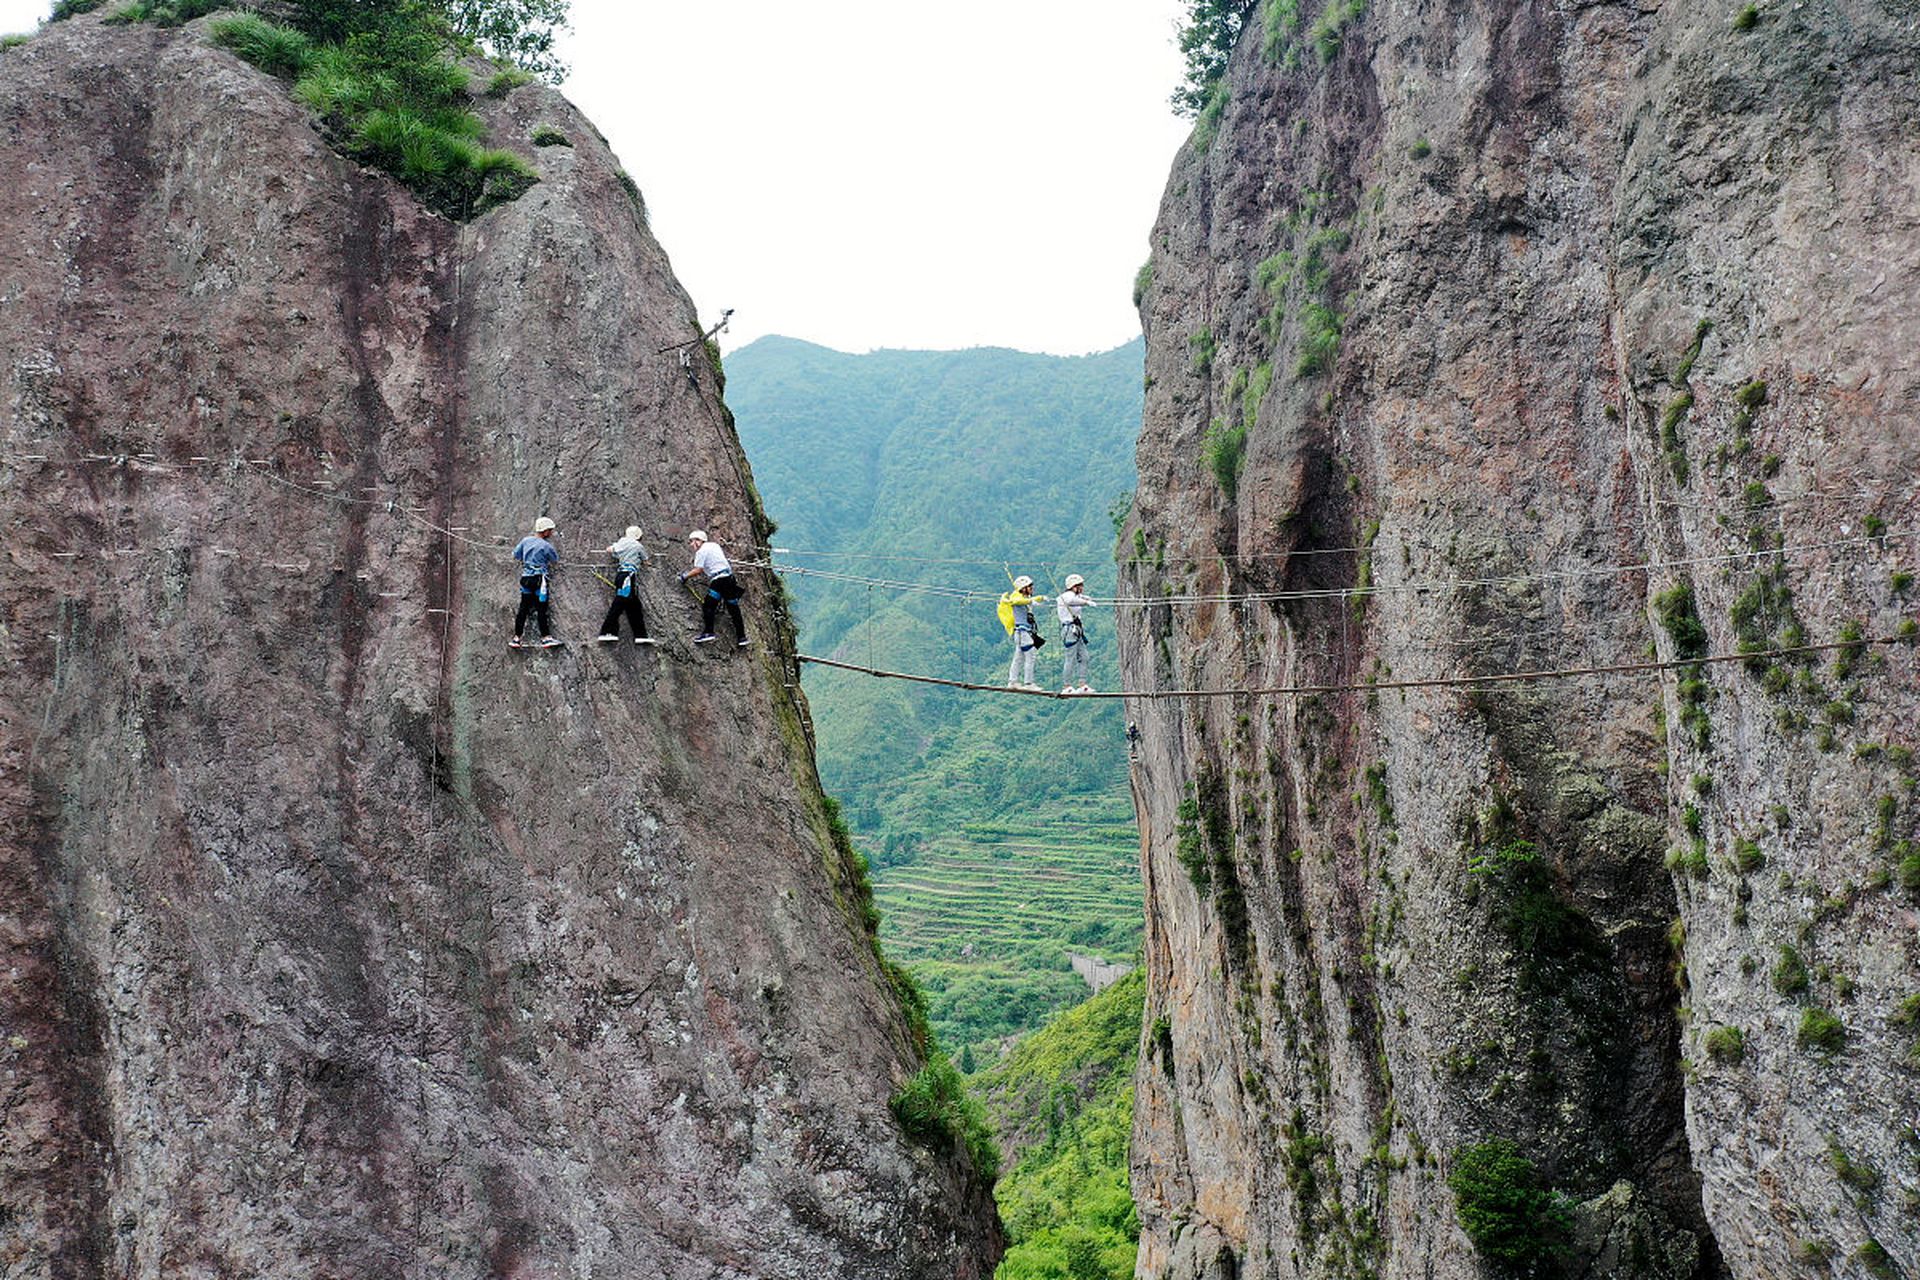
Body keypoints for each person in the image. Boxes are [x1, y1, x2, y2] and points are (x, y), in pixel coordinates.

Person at [678, 529, 747, 646]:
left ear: (698, 541)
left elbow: (698, 569)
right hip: (729, 579)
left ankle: (708, 632)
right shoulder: (714, 546)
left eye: (692, 541)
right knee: (733, 608)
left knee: (708, 606)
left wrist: (685, 576)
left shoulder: (701, 552)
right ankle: (742, 637)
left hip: (719, 581)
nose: (691, 544)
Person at [597, 525, 658, 645]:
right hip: (628, 577)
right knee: (619, 603)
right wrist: (649, 563)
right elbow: (645, 560)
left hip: (623, 575)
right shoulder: (638, 546)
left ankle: (640, 635)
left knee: (634, 607)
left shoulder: (621, 542)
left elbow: (610, 550)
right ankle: (606, 631)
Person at [510, 516, 562, 648]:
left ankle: (516, 638)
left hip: (526, 578)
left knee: (523, 608)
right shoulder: (546, 546)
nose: (550, 533)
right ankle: (546, 637)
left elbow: (516, 555)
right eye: (549, 530)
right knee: (541, 609)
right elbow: (554, 559)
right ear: (544, 531)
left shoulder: (525, 541)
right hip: (539, 580)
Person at [998, 575, 1047, 690]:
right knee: (1030, 656)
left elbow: (1024, 602)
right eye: (1029, 587)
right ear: (1023, 588)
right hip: (1022, 632)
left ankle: (1013, 681)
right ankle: (1028, 683)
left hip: (1023, 633)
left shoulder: (1024, 599)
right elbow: (1016, 601)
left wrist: (1032, 601)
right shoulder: (1017, 597)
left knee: (1019, 657)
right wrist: (1036, 599)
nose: (1032, 589)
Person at [1056, 573, 1097, 693]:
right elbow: (1071, 600)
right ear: (1074, 586)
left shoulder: (1075, 596)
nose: (1082, 588)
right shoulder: (1067, 596)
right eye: (1080, 586)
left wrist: (1086, 598)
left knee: (1084, 657)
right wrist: (1086, 602)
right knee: (1070, 658)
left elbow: (1077, 598)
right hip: (1069, 630)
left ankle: (1082, 684)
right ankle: (1066, 686)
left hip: (1076, 630)